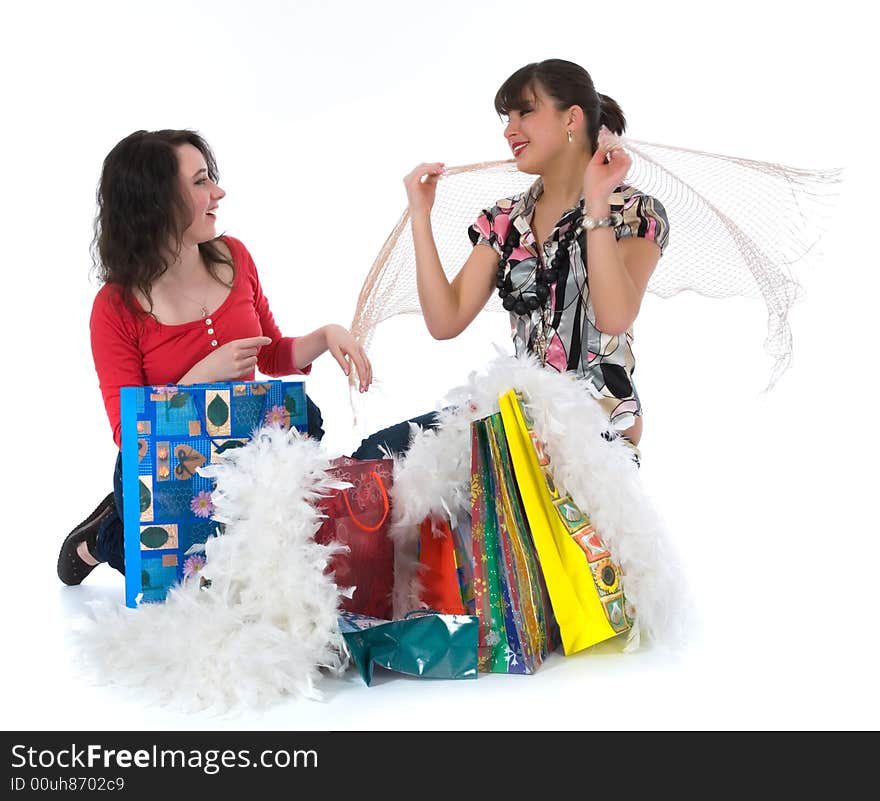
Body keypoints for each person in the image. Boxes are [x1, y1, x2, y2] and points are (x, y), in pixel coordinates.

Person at [58, 129, 372, 586]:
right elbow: (129, 432)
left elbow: (274, 353)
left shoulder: (234, 257)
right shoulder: (114, 307)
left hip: (243, 451)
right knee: (171, 578)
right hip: (169, 463)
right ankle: (102, 537)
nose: (218, 192)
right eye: (201, 182)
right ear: (155, 202)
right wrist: (200, 378)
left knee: (253, 573)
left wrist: (326, 336)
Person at [351, 58, 668, 460]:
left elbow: (614, 316)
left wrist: (598, 201)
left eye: (525, 112)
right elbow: (445, 320)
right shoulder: (505, 220)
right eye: (507, 117)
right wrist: (420, 215)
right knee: (376, 455)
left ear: (572, 118)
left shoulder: (634, 212)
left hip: (595, 439)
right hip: (517, 425)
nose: (509, 130)